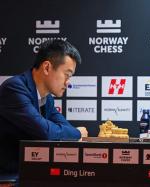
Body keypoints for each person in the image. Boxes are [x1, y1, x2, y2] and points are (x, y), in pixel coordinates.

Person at [0, 40, 88, 174]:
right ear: (47, 67)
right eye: (67, 75)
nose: (68, 83)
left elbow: (64, 127)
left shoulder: (47, 98)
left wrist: (73, 133)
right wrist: (78, 133)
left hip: (26, 172)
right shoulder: (14, 89)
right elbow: (44, 131)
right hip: (6, 175)